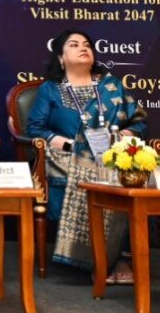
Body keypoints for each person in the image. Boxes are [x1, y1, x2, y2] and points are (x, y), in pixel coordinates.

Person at [27, 28, 145, 283]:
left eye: (87, 45)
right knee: (95, 171)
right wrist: (71, 145)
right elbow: (35, 129)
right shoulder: (51, 89)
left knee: (124, 173)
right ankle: (95, 260)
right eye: (74, 44)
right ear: (61, 57)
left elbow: (137, 122)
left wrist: (119, 139)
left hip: (110, 155)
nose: (83, 48)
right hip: (68, 157)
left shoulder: (111, 86)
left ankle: (118, 257)